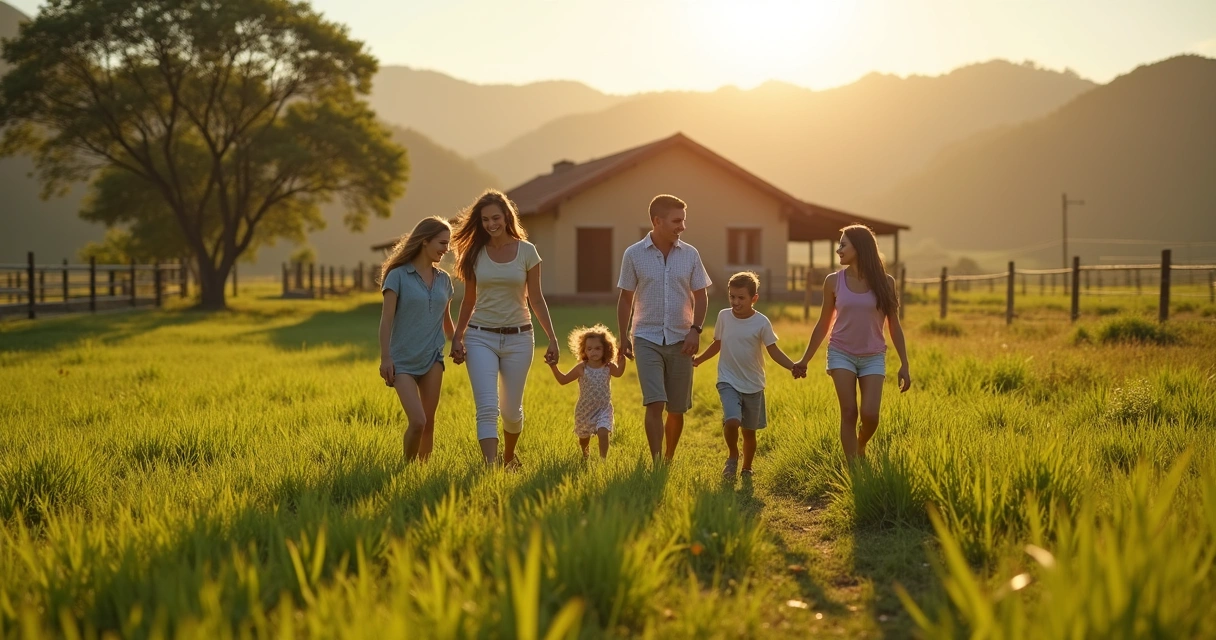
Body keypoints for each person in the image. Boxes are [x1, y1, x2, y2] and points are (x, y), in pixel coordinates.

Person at [449, 189, 560, 467]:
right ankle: (490, 467)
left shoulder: (527, 252)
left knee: (511, 412)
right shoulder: (474, 252)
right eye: (485, 219)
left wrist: (553, 338)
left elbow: (535, 298)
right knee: (486, 408)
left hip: (519, 339)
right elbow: (468, 300)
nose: (491, 224)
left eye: (495, 217)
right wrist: (458, 337)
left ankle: (509, 457)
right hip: (480, 337)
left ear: (506, 216)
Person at [795, 225, 911, 462]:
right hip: (841, 353)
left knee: (871, 415)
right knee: (849, 412)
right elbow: (823, 324)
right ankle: (853, 469)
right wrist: (804, 360)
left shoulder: (886, 283)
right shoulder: (833, 281)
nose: (838, 250)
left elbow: (894, 325)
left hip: (873, 355)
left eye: (843, 245)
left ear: (860, 247)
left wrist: (904, 364)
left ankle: (860, 445)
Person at [616, 194, 711, 462]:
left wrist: (696, 330)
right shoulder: (633, 254)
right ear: (657, 221)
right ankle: (657, 461)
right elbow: (625, 299)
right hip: (646, 337)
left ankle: (669, 458)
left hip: (683, 339)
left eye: (683, 220)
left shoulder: (690, 254)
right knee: (655, 401)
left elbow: (701, 296)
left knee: (677, 408)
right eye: (676, 220)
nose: (682, 226)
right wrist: (623, 337)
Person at [693, 271, 802, 478]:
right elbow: (717, 343)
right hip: (728, 379)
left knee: (749, 432)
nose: (735, 301)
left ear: (754, 299)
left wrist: (793, 366)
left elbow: (774, 350)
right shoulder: (724, 316)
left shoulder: (761, 323)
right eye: (732, 296)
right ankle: (733, 455)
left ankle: (747, 468)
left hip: (753, 383)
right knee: (732, 420)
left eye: (741, 297)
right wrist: (699, 359)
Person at [378, 216, 455, 463]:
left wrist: (458, 342)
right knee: (418, 421)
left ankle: (421, 473)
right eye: (442, 243)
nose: (447, 249)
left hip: (433, 357)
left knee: (429, 422)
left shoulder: (444, 280)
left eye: (448, 244)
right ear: (424, 241)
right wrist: (386, 358)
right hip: (402, 361)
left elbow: (446, 320)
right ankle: (406, 468)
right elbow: (386, 320)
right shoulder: (398, 276)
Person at [547, 325, 627, 460]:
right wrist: (553, 366)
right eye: (589, 349)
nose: (593, 352)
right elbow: (563, 380)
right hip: (585, 410)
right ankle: (585, 454)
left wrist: (622, 358)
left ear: (605, 349)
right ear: (584, 350)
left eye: (597, 348)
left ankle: (603, 461)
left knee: (603, 432)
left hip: (603, 408)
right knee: (584, 438)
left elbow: (619, 373)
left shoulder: (608, 366)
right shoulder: (582, 368)